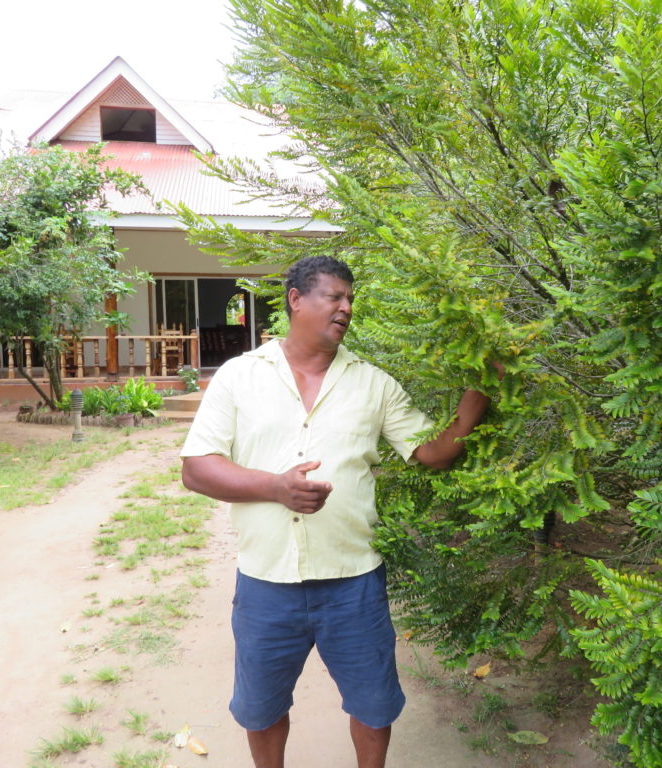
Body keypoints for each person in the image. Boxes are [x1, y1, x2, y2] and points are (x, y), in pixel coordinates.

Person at [180, 255, 492, 768]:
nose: (346, 307)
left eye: (350, 299)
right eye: (334, 296)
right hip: (266, 583)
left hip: (354, 583)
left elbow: (432, 452)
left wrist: (479, 393)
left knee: (373, 705)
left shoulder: (374, 385)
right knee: (261, 710)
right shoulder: (240, 377)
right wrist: (276, 487)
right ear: (296, 299)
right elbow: (197, 469)